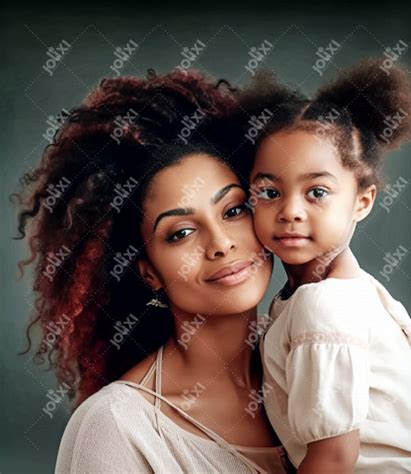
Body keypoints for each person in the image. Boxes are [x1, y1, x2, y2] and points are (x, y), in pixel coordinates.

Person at [13, 69, 294, 473]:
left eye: (233, 210)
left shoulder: (312, 356)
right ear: (149, 273)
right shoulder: (116, 427)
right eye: (180, 233)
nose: (220, 243)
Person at [237, 58, 411, 472]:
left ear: (362, 201)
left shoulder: (324, 305)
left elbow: (333, 458)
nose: (290, 210)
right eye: (269, 191)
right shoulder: (340, 296)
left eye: (317, 192)